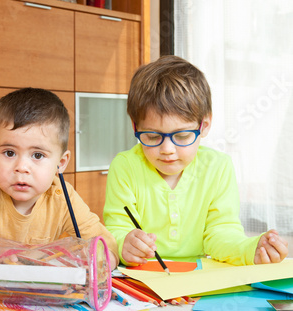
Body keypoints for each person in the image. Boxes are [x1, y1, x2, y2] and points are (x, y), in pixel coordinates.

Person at [103, 55, 288, 267]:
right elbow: (116, 228)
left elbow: (221, 232)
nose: (167, 150)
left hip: (198, 276)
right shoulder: (124, 167)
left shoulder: (218, 167)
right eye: (152, 137)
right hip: (141, 279)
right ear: (135, 127)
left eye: (181, 136)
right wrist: (124, 243)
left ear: (204, 125)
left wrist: (248, 249)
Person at [0, 87, 119, 269]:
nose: (21, 167)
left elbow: (107, 247)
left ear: (61, 163)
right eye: (9, 153)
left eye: (37, 155)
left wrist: (98, 261)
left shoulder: (63, 197)